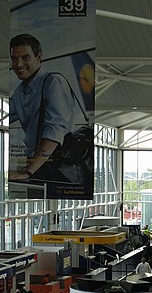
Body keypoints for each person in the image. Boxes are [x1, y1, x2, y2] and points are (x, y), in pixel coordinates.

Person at [7, 33, 90, 185]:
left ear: (39, 57)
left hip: (61, 166)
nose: (18, 65)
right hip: (41, 163)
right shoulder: (19, 92)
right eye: (14, 58)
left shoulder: (53, 83)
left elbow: (54, 129)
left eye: (25, 58)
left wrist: (28, 171)